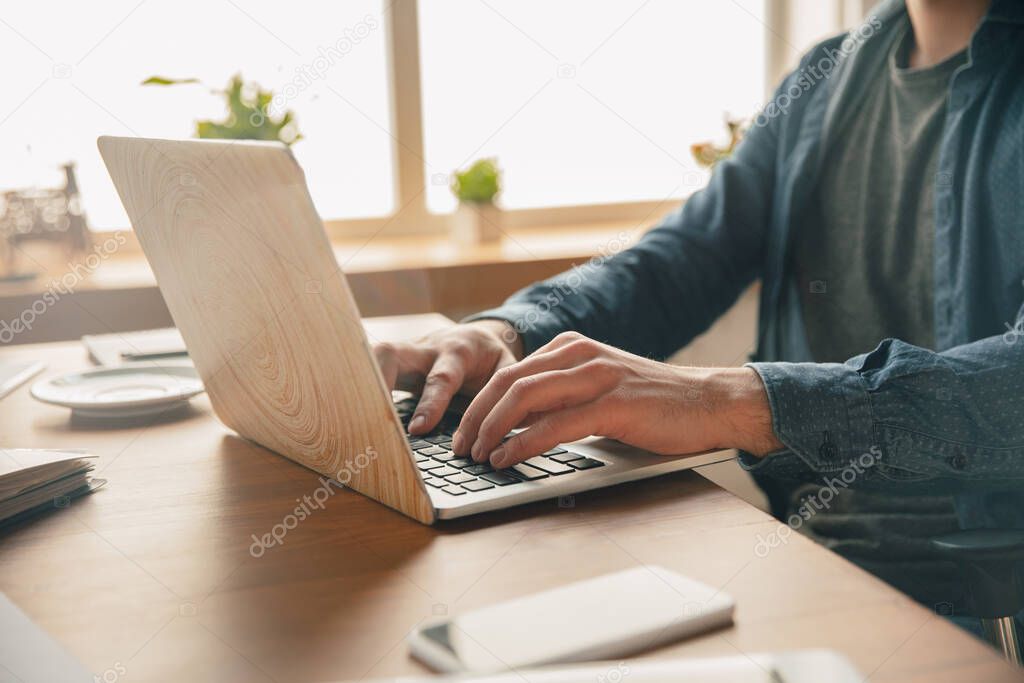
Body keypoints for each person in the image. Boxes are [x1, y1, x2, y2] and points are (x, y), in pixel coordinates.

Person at [374, 0, 1024, 624]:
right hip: (806, 554)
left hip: (961, 591)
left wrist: (734, 402)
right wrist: (508, 331)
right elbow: (680, 260)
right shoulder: (833, 72)